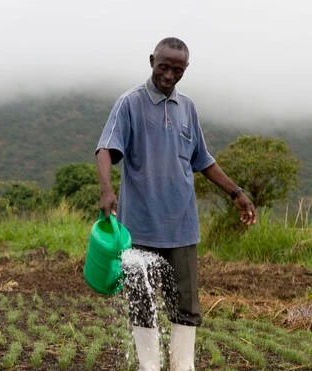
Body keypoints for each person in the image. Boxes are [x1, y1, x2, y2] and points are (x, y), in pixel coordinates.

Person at [95, 37, 256, 371]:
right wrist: (107, 190)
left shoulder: (188, 108)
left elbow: (203, 160)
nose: (169, 75)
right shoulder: (130, 103)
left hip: (182, 225)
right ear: (152, 60)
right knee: (141, 300)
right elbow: (105, 149)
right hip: (137, 226)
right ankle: (149, 365)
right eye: (163, 67)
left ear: (186, 69)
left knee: (187, 303)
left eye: (177, 70)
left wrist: (236, 193)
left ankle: (183, 366)